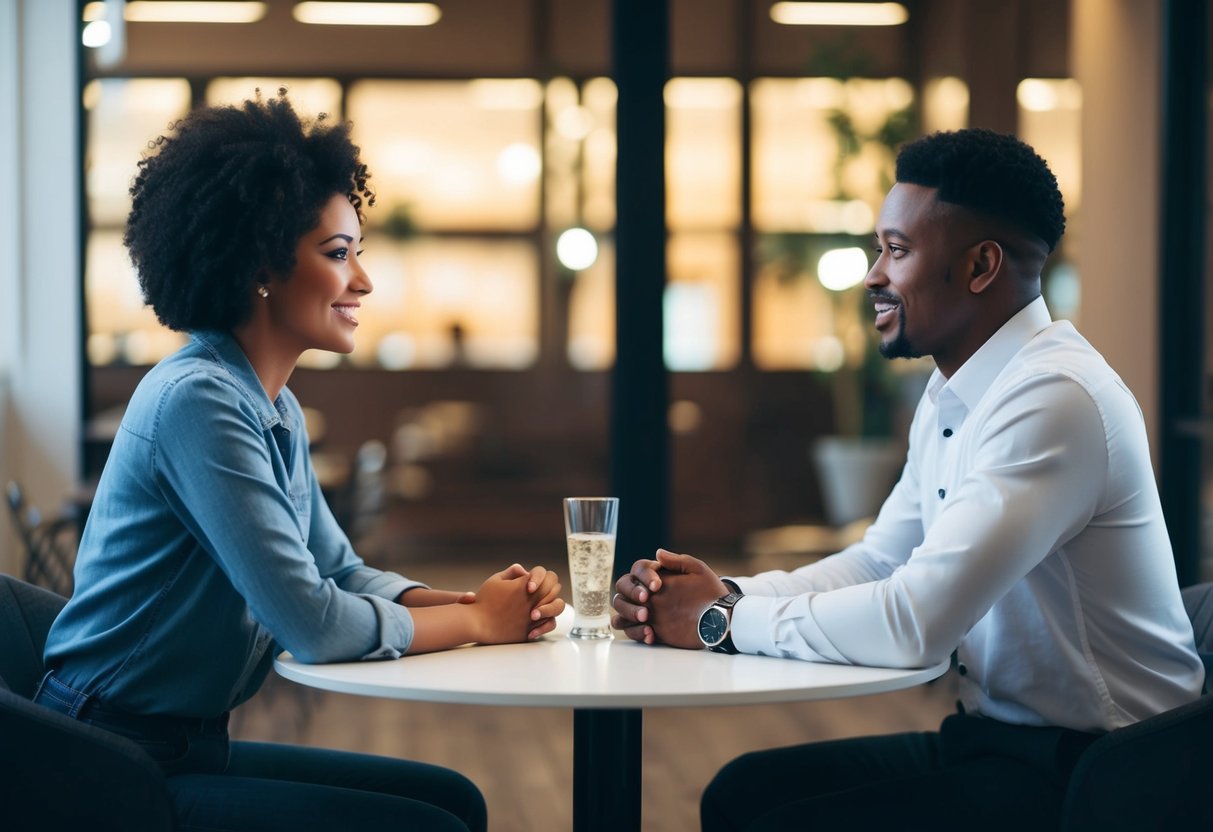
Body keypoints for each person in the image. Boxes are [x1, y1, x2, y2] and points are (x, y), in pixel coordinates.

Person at [611, 127, 1205, 831]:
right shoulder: (957, 390)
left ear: (981, 265)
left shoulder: (1053, 398)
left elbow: (913, 625)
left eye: (895, 250)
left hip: (1107, 774)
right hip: (997, 742)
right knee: (743, 793)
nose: (872, 275)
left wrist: (717, 622)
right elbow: (881, 561)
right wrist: (720, 594)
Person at [35, 90, 565, 832]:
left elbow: (340, 572)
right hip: (103, 761)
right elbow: (313, 623)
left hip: (184, 744)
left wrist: (472, 601)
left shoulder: (269, 404)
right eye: (337, 254)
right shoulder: (200, 401)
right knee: (432, 825)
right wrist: (478, 622)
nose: (363, 281)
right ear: (260, 264)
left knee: (452, 801)